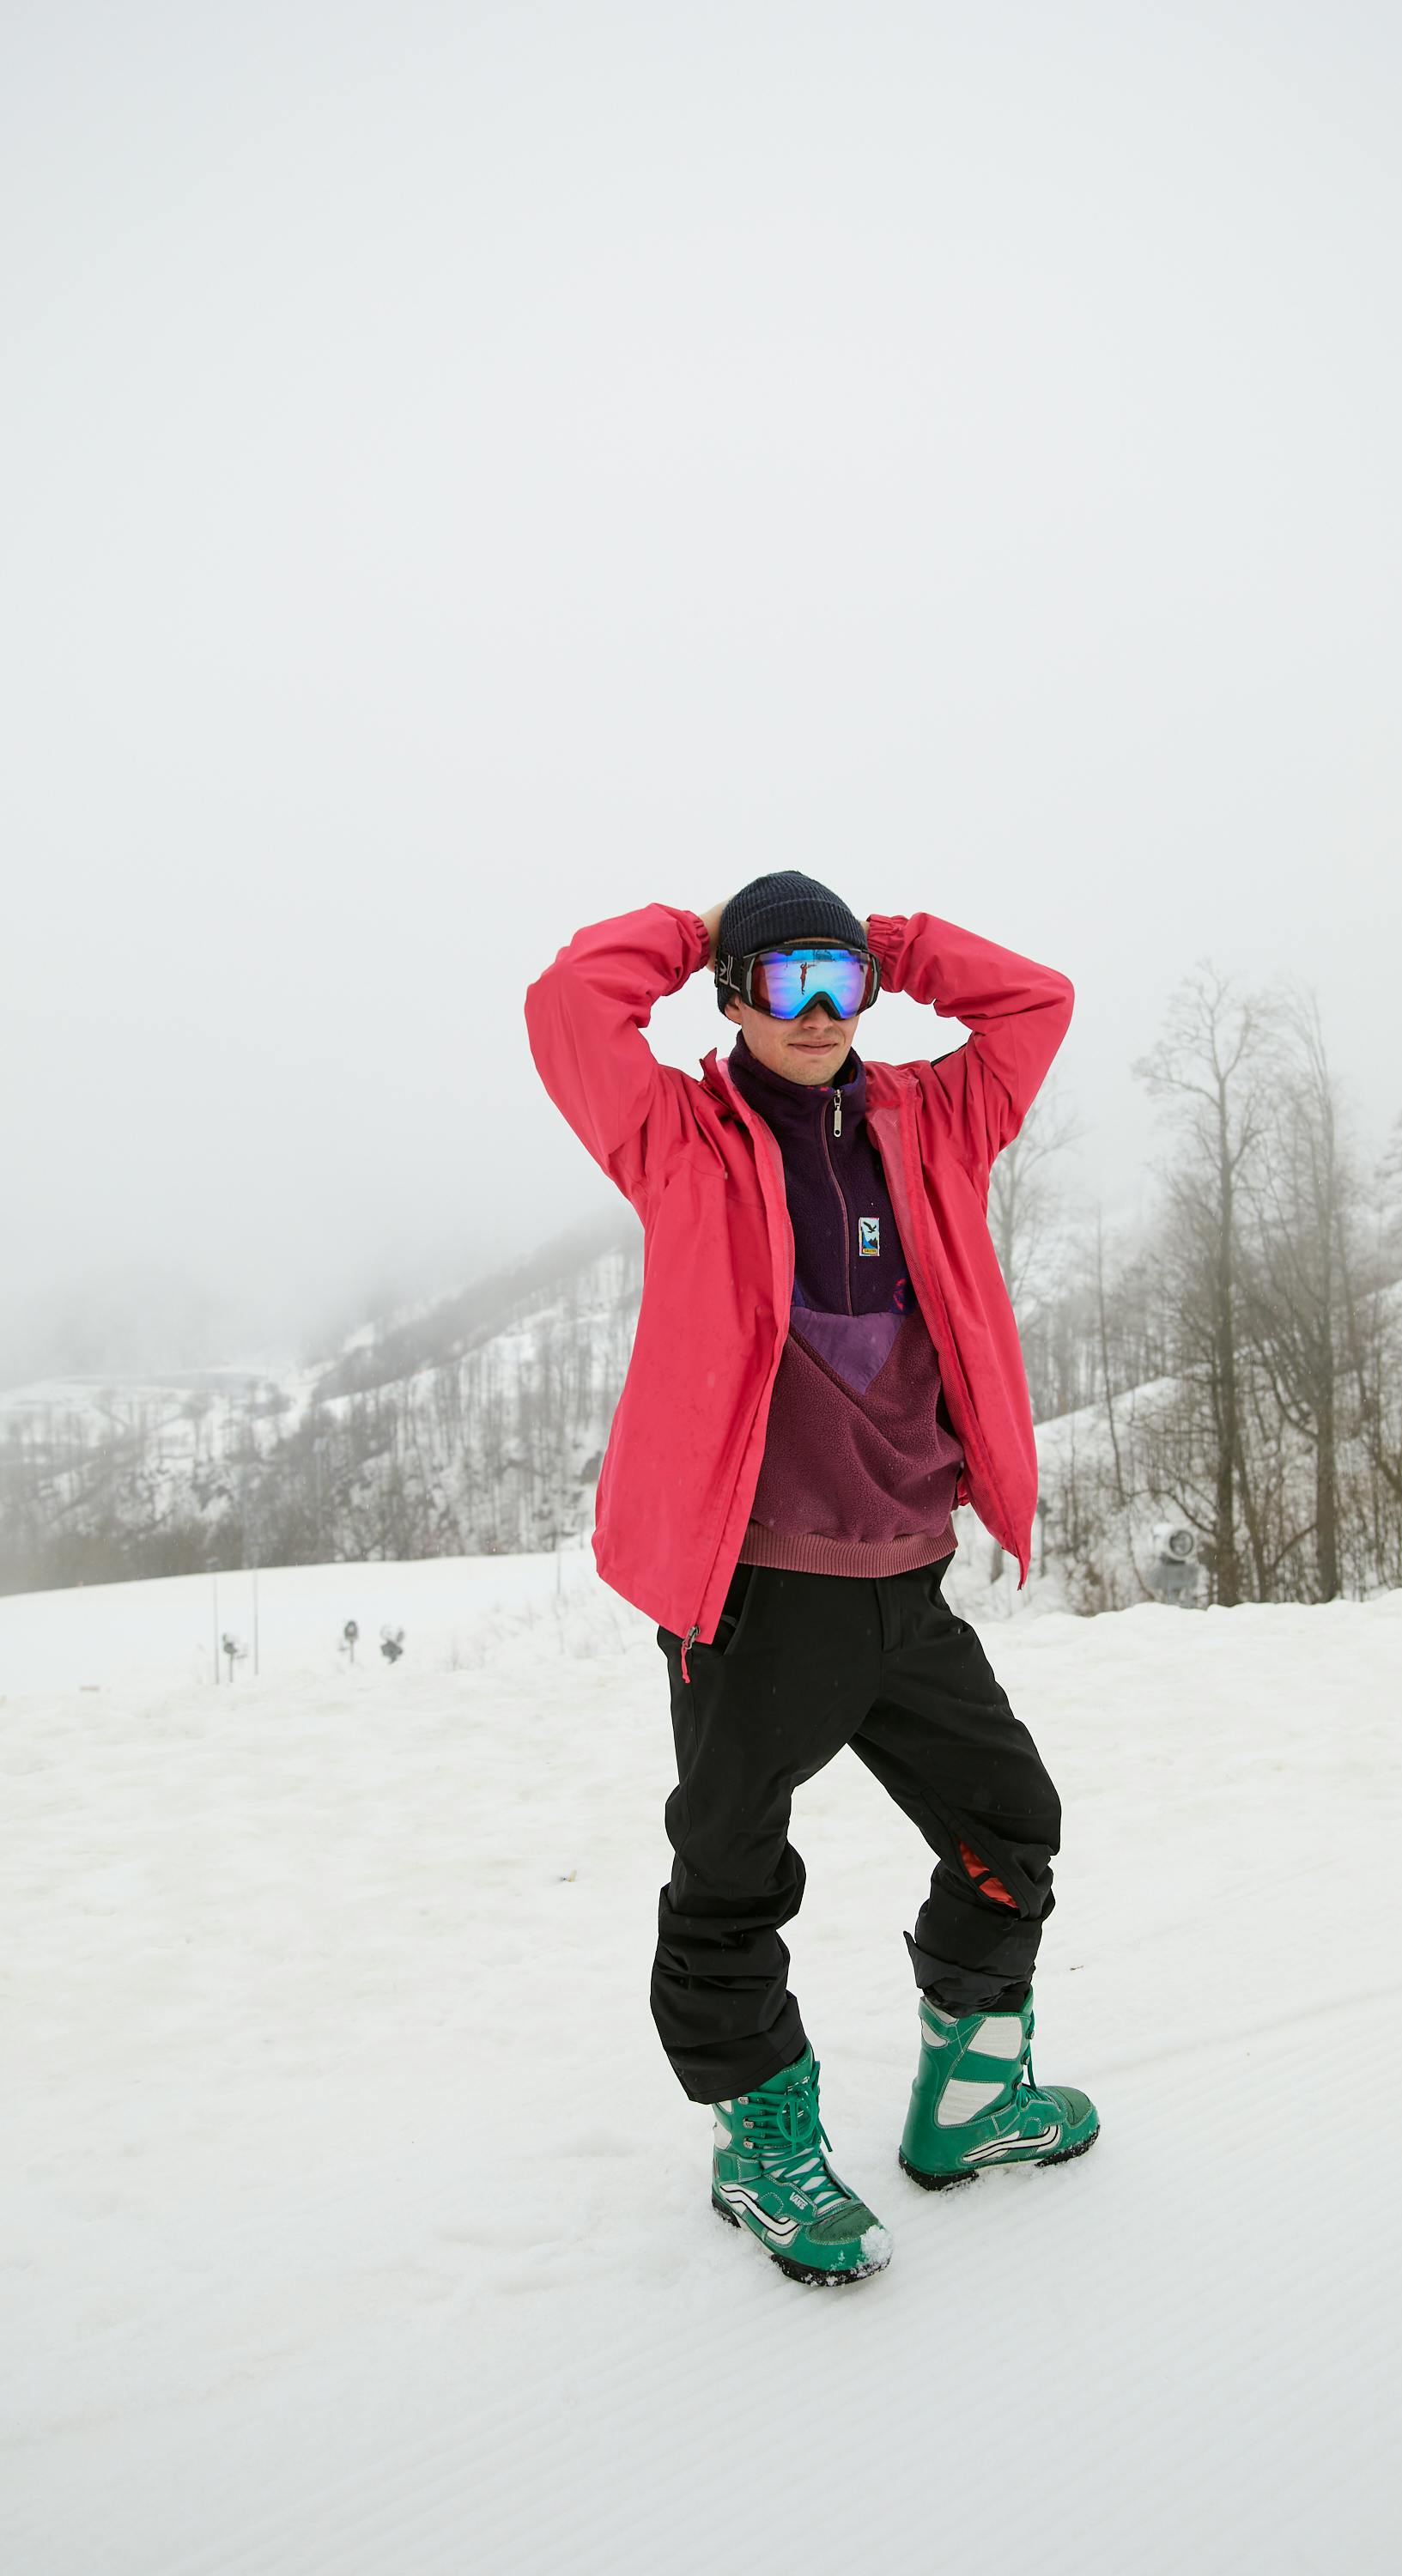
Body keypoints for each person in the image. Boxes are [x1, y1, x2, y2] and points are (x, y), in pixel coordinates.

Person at [525, 873, 1098, 2287]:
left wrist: (893, 946)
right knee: (732, 1873)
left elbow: (1035, 1002)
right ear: (731, 998)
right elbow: (567, 1008)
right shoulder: (682, 1140)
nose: (825, 1013)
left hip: (909, 1572)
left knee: (1009, 1821)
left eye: (846, 982)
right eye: (789, 984)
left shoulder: (930, 1120)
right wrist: (692, 932)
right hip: (759, 1586)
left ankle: (969, 2104)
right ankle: (761, 2152)